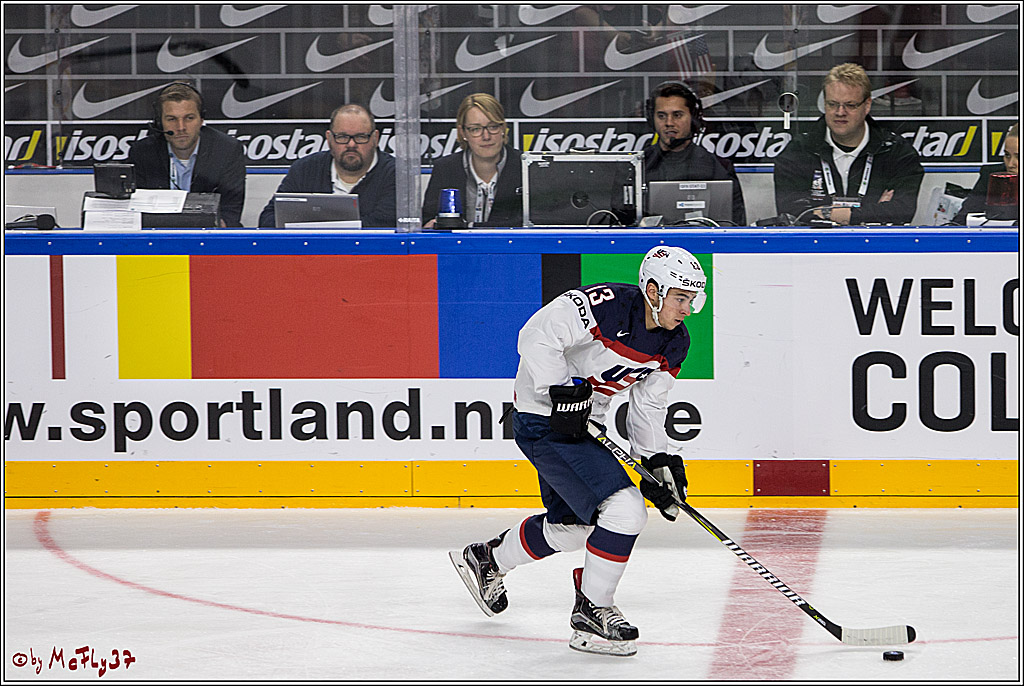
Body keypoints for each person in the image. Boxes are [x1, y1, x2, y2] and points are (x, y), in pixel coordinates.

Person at [449, 245, 703, 657]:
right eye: (680, 298)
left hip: (586, 425)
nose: (687, 309)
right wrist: (562, 390)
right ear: (653, 291)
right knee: (624, 511)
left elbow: (648, 406)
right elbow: (535, 337)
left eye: (692, 300)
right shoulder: (605, 305)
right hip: (542, 417)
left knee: (575, 528)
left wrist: (657, 462)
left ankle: (487, 559)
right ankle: (593, 611)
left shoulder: (674, 343)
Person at [773, 63, 925, 226]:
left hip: (876, 249)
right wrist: (872, 211)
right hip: (817, 249)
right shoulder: (798, 151)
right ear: (824, 104)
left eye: (850, 105)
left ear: (867, 105)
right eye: (832, 104)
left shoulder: (897, 152)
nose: (840, 112)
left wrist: (824, 212)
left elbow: (901, 212)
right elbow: (792, 214)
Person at [128, 82, 247, 227]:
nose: (181, 127)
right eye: (172, 119)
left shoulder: (227, 150)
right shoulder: (142, 152)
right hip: (158, 238)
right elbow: (134, 213)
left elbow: (230, 213)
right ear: (160, 123)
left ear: (201, 120)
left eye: (189, 118)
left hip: (208, 238)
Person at [258, 104, 396, 228]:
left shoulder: (396, 174)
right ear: (329, 139)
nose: (351, 145)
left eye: (360, 137)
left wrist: (314, 224)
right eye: (342, 137)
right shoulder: (305, 169)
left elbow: (386, 224)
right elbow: (268, 220)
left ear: (375, 138)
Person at [641, 81, 747, 225]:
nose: (669, 122)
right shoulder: (636, 168)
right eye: (661, 116)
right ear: (651, 119)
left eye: (677, 115)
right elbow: (619, 225)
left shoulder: (719, 168)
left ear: (694, 118)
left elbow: (733, 226)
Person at [421, 93, 523, 228]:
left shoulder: (525, 167)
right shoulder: (446, 168)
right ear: (463, 133)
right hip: (458, 248)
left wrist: (467, 226)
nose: (486, 136)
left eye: (493, 127)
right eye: (475, 129)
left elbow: (534, 223)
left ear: (503, 128)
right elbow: (429, 222)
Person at [952, 123, 1018, 224]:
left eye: (1019, 157)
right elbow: (961, 220)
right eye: (1007, 155)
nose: (1010, 164)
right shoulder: (992, 177)